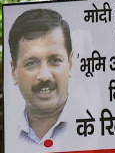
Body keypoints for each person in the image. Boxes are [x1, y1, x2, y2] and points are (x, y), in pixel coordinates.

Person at [9, 8, 73, 148]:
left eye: (54, 60)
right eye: (31, 63)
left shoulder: (98, 128)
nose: (44, 76)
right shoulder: (8, 133)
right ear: (14, 72)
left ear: (71, 63)